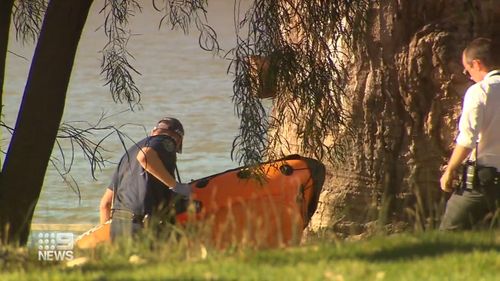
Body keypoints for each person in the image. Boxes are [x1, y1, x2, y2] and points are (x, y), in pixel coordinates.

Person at [440, 37, 500, 230]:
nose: (469, 75)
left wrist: (450, 170)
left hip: (485, 181)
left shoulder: (480, 91)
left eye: (467, 70)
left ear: (477, 64)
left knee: (448, 235)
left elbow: (467, 139)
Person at [99, 117, 191, 240]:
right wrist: (175, 185)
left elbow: (105, 204)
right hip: (143, 227)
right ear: (179, 140)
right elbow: (145, 156)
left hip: (118, 227)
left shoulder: (127, 156)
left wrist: (106, 238)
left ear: (153, 131)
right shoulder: (167, 140)